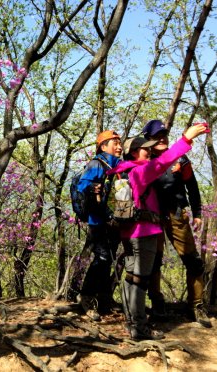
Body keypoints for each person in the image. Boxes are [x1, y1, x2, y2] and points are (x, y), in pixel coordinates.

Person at [107, 123, 207, 340]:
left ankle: (133, 322)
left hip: (136, 229)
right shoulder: (142, 170)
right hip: (144, 231)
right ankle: (141, 325)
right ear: (135, 151)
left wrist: (196, 210)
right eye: (147, 146)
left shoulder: (124, 169)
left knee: (133, 277)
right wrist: (186, 139)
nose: (152, 148)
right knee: (141, 278)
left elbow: (189, 185)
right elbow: (161, 164)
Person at [142, 119, 211, 327]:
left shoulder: (181, 158)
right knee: (154, 262)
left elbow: (192, 186)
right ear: (148, 140)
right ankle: (157, 304)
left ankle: (196, 306)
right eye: (157, 136)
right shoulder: (143, 160)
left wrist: (197, 212)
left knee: (193, 261)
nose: (162, 138)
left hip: (176, 215)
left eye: (164, 134)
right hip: (152, 217)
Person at [76, 130, 122, 321]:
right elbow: (81, 187)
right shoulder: (96, 164)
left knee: (107, 259)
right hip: (98, 221)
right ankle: (86, 297)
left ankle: (103, 301)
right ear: (104, 147)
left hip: (114, 221)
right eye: (115, 143)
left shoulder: (118, 165)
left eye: (120, 143)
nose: (119, 147)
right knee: (102, 258)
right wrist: (92, 188)